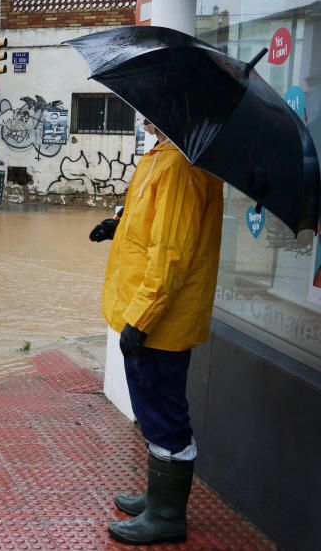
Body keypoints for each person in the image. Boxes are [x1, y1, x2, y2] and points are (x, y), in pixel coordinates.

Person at [90, 118, 223, 545]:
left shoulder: (181, 165)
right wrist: (119, 224)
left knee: (164, 415)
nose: (142, 115)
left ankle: (167, 515)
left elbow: (171, 254)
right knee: (152, 410)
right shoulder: (160, 155)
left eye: (150, 106)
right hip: (146, 313)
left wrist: (141, 319)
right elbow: (152, 225)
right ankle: (157, 496)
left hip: (159, 321)